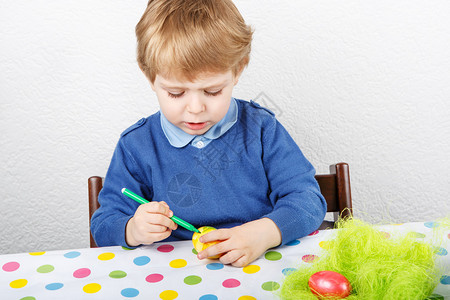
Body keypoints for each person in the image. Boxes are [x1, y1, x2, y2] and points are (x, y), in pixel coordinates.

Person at [90, 0, 326, 267]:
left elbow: (308, 201)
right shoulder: (137, 146)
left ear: (238, 70)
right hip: (172, 277)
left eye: (212, 91)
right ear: (150, 77)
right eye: (176, 93)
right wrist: (132, 229)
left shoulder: (261, 129)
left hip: (259, 266)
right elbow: (104, 224)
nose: (195, 109)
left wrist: (264, 233)